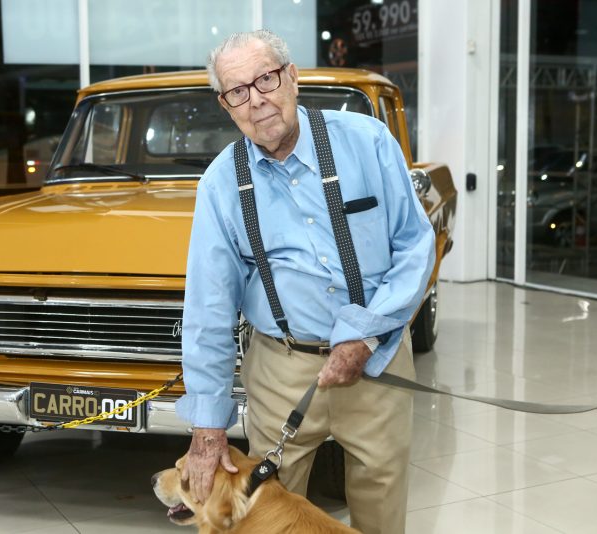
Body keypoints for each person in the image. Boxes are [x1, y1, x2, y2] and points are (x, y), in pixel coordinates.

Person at [175, 29, 435, 534]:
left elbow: (414, 246)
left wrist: (365, 331)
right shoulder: (221, 185)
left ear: (292, 77)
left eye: (266, 79)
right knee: (271, 516)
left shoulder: (368, 142)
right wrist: (208, 431)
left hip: (375, 358)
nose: (257, 100)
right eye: (238, 92)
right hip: (280, 367)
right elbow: (208, 310)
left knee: (380, 501)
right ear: (226, 105)